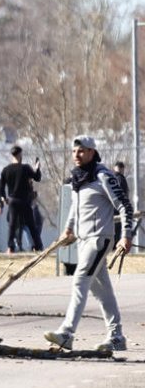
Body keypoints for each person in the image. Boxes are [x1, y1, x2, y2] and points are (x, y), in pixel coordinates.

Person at [44, 136, 133, 352]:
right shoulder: (78, 178)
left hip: (99, 238)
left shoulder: (103, 175)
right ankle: (117, 336)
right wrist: (68, 230)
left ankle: (67, 333)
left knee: (80, 280)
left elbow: (124, 206)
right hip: (83, 240)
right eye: (74, 151)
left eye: (82, 151)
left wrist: (126, 235)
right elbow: (75, 209)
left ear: (92, 152)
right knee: (101, 291)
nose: (76, 155)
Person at [0, 145, 42, 252]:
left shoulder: (6, 170)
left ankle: (10, 247)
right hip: (24, 200)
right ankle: (37, 246)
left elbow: (1, 187)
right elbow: (37, 177)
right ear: (19, 155)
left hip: (12, 200)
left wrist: (4, 198)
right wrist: (37, 168)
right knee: (31, 224)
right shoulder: (26, 168)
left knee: (12, 225)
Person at [112, 161, 129, 245]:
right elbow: (122, 195)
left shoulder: (110, 178)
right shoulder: (121, 179)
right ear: (122, 169)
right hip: (118, 208)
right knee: (117, 229)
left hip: (111, 209)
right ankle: (115, 246)